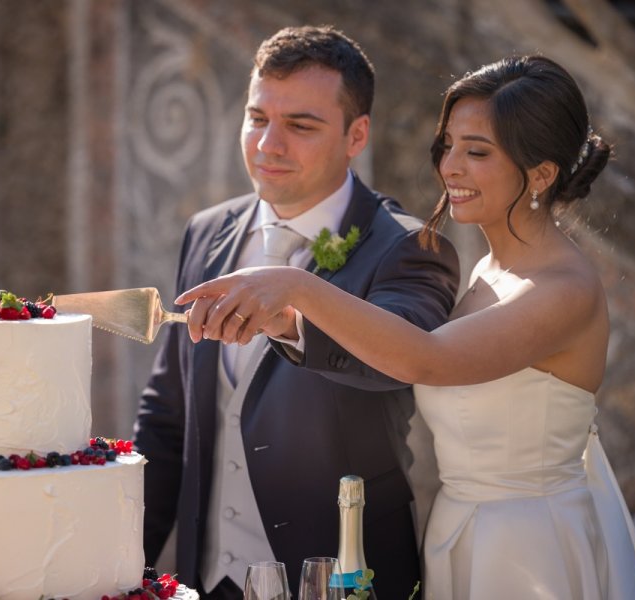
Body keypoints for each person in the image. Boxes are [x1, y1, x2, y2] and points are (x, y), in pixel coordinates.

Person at [177, 55, 635, 599]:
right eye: (449, 144)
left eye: (477, 151)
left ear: (542, 174)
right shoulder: (488, 271)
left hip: (528, 550)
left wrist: (298, 285)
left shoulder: (562, 289)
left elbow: (427, 359)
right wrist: (288, 320)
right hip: (458, 535)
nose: (450, 166)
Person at [133, 25, 460, 600]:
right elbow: (168, 417)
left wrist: (295, 309)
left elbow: (407, 356)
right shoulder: (207, 232)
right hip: (206, 581)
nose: (268, 145)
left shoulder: (408, 247)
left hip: (345, 577)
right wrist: (120, 566)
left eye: (300, 125)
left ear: (357, 134)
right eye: (257, 119)